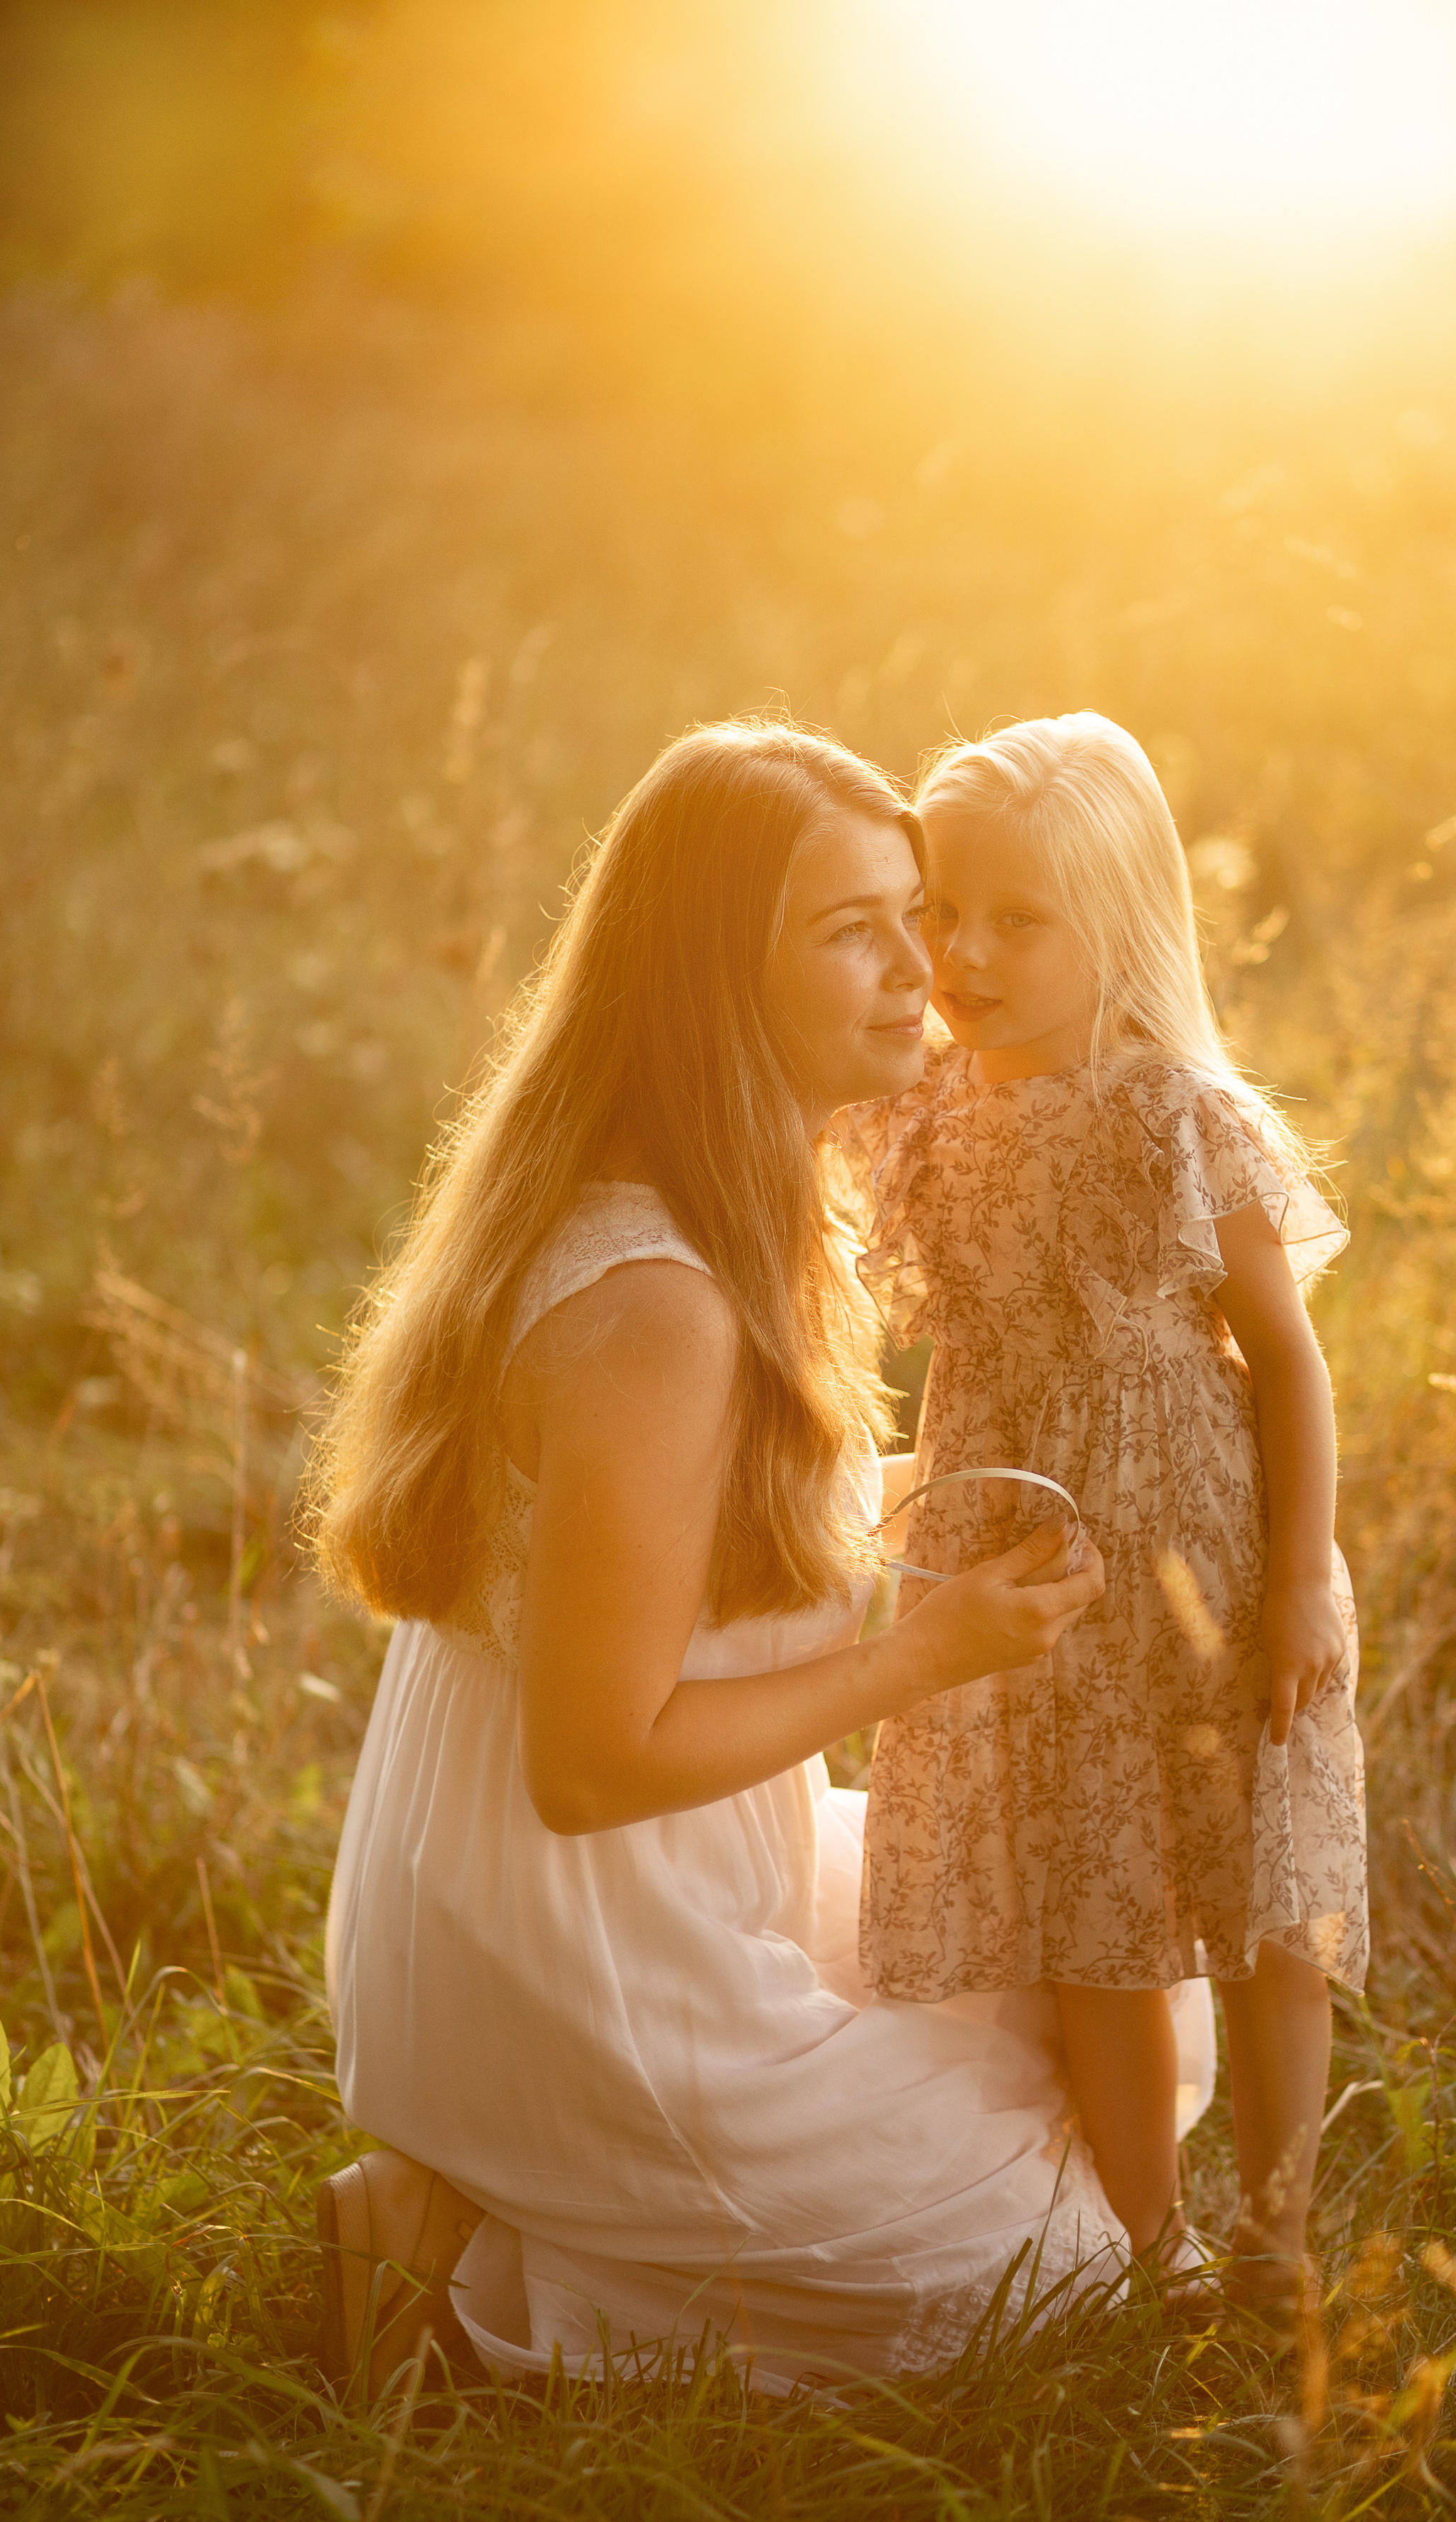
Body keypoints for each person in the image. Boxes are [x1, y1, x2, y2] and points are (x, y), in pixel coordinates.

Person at [308, 717, 1217, 2398]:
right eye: (854, 931)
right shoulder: (654, 1305)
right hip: (581, 1957)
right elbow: (592, 1763)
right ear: (718, 980)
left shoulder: (717, 1207)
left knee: (1122, 1994)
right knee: (1044, 2273)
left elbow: (715, 1541)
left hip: (640, 1890)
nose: (922, 969)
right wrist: (919, 1655)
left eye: (915, 912)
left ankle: (490, 2204)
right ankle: (453, 2236)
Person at [838, 712, 1367, 2305]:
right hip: (1023, 1561)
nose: (962, 956)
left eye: (1018, 919)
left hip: (1204, 1546)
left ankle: (1277, 2240)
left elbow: (1285, 1358)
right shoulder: (922, 1110)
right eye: (941, 910)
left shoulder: (1173, 1112)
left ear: (1118, 922)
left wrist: (1298, 1579)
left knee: (1262, 1894)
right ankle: (1152, 2247)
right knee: (1093, 1907)